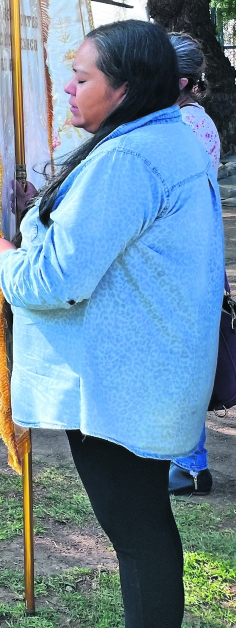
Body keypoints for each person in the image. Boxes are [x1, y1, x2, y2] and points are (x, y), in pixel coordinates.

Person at [0, 20, 223, 628]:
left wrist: (2, 259)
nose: (67, 88)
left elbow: (57, 281)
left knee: (137, 533)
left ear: (125, 88)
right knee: (143, 528)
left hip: (119, 383)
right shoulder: (165, 137)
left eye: (82, 77)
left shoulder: (130, 159)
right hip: (142, 370)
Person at [167, 32, 220, 497]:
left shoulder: (183, 124)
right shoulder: (194, 119)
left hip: (185, 260)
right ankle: (189, 461)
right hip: (196, 257)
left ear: (179, 80)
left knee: (181, 364)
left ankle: (189, 464)